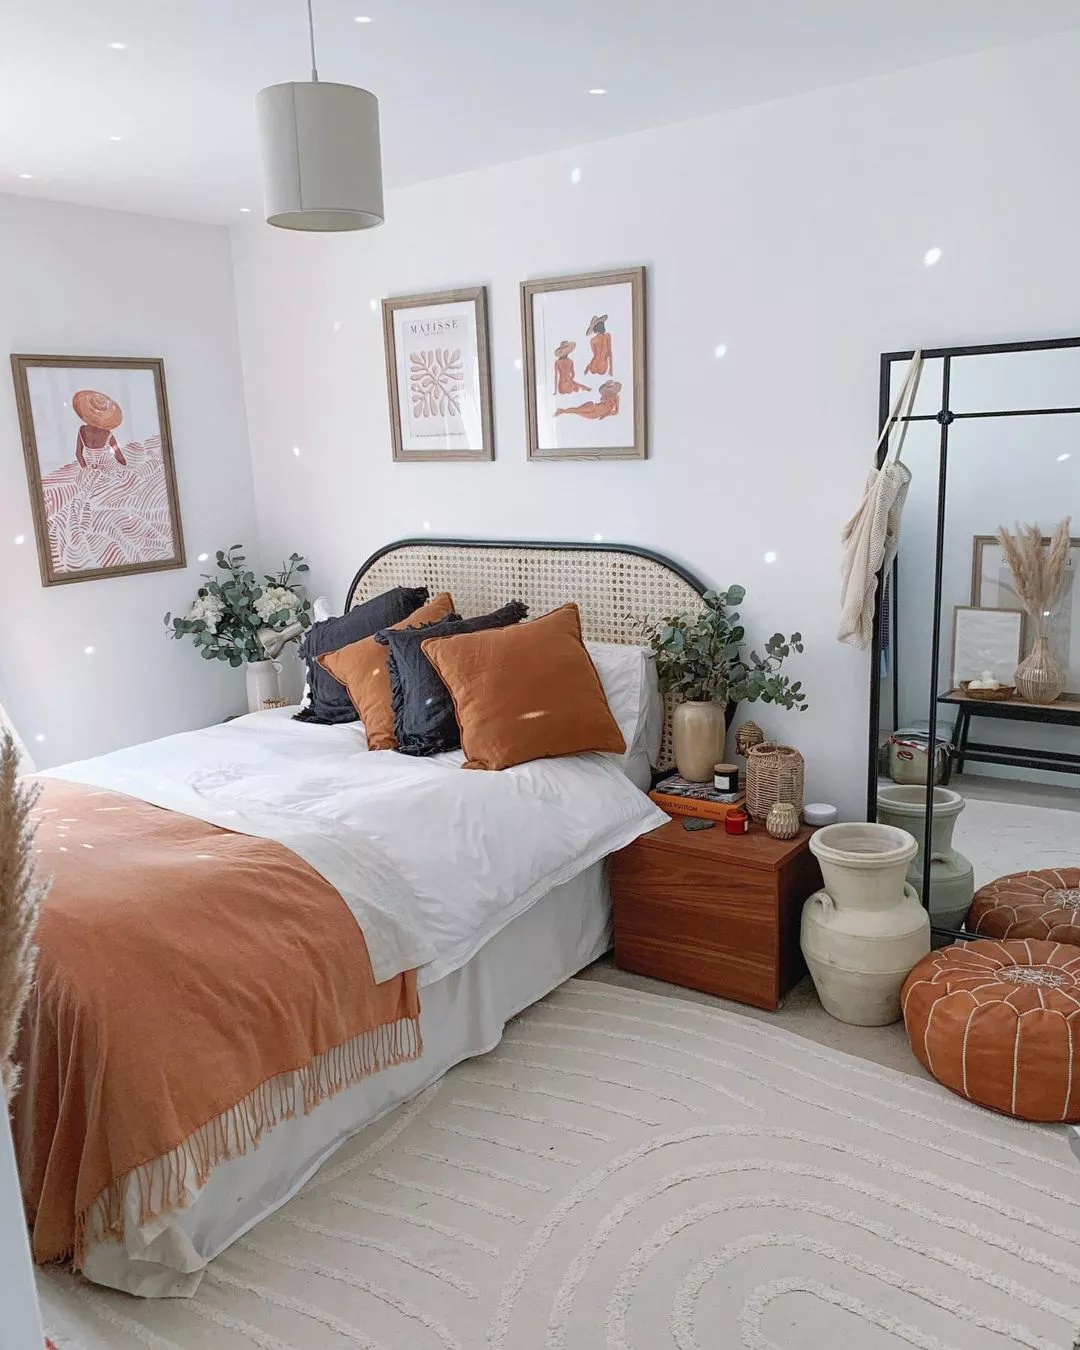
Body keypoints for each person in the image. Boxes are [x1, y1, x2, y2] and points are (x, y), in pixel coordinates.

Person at [72, 390, 126, 467]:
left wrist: (85, 469)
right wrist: (125, 465)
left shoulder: (82, 430)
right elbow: (118, 455)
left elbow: (78, 454)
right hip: (108, 470)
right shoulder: (108, 434)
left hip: (88, 471)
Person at [553, 379, 621, 420]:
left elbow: (616, 411)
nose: (609, 390)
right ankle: (562, 411)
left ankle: (562, 411)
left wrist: (605, 415)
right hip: (596, 408)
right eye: (608, 388)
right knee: (578, 410)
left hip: (598, 413)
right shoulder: (605, 395)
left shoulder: (616, 397)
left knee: (578, 411)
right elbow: (601, 402)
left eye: (610, 388)